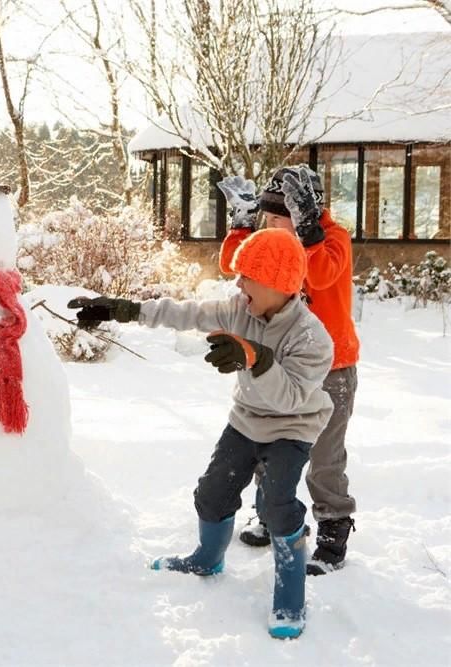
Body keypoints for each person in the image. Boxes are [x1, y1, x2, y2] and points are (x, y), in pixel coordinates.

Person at [69, 228, 334, 639]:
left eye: (247, 275)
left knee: (279, 505)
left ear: (278, 284)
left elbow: (292, 397)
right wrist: (124, 309)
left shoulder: (312, 337)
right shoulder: (238, 310)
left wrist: (254, 356)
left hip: (292, 428)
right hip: (246, 420)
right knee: (213, 491)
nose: (239, 283)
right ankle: (208, 558)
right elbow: (186, 312)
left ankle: (290, 595)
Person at [218, 166, 360, 575]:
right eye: (267, 217)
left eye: (282, 217)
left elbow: (321, 273)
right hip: (278, 366)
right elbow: (235, 265)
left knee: (325, 455)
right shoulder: (274, 242)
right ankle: (268, 512)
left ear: (307, 211)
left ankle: (333, 526)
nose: (274, 226)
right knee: (268, 442)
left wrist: (310, 231)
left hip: (332, 369)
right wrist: (242, 227)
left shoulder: (332, 240)